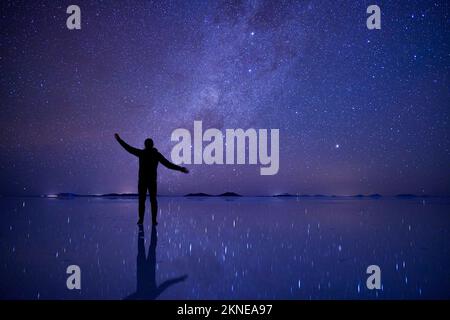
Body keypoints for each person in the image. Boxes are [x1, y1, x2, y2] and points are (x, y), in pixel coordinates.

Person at [114, 133, 188, 225]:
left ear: (146, 145)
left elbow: (129, 148)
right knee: (150, 201)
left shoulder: (145, 153)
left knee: (145, 201)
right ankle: (150, 220)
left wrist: (119, 140)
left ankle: (145, 220)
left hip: (146, 181)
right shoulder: (151, 154)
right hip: (148, 181)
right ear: (151, 145)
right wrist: (180, 169)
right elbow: (168, 165)